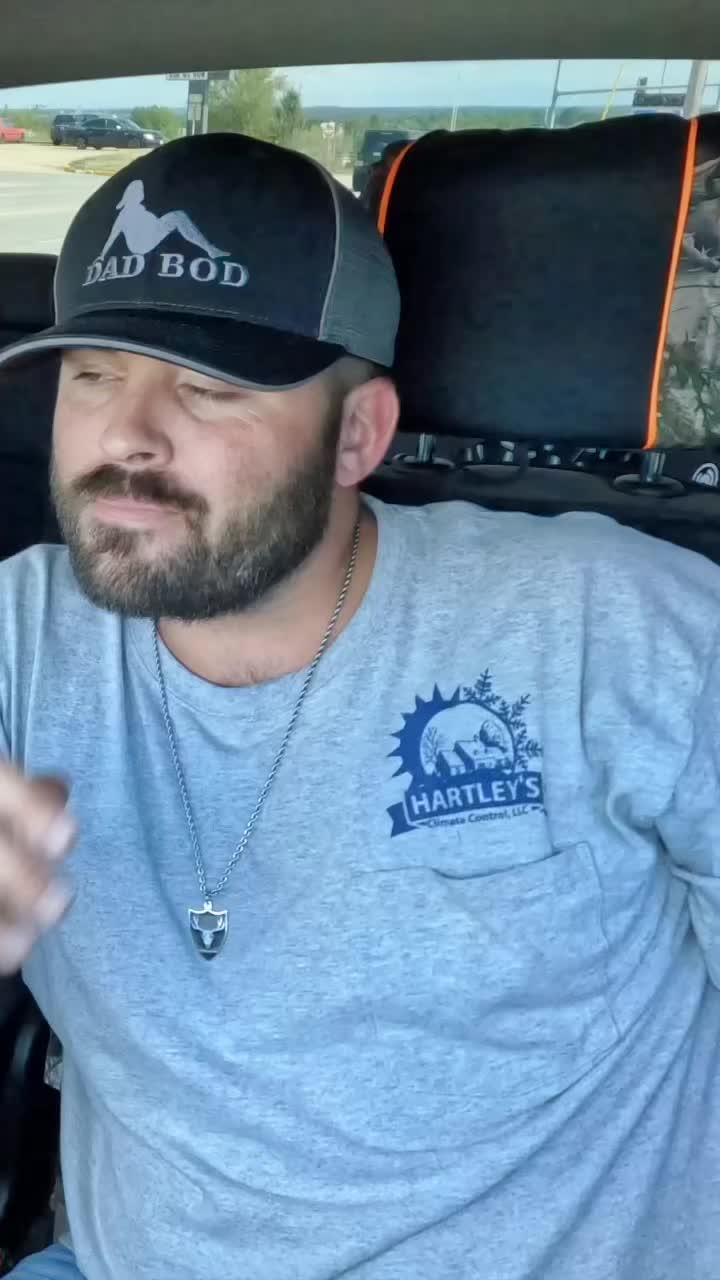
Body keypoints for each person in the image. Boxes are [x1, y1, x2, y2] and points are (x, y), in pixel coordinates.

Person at [0, 131, 719, 1280]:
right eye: (92, 374)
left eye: (207, 387)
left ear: (358, 435)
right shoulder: (22, 633)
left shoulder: (612, 629)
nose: (125, 434)